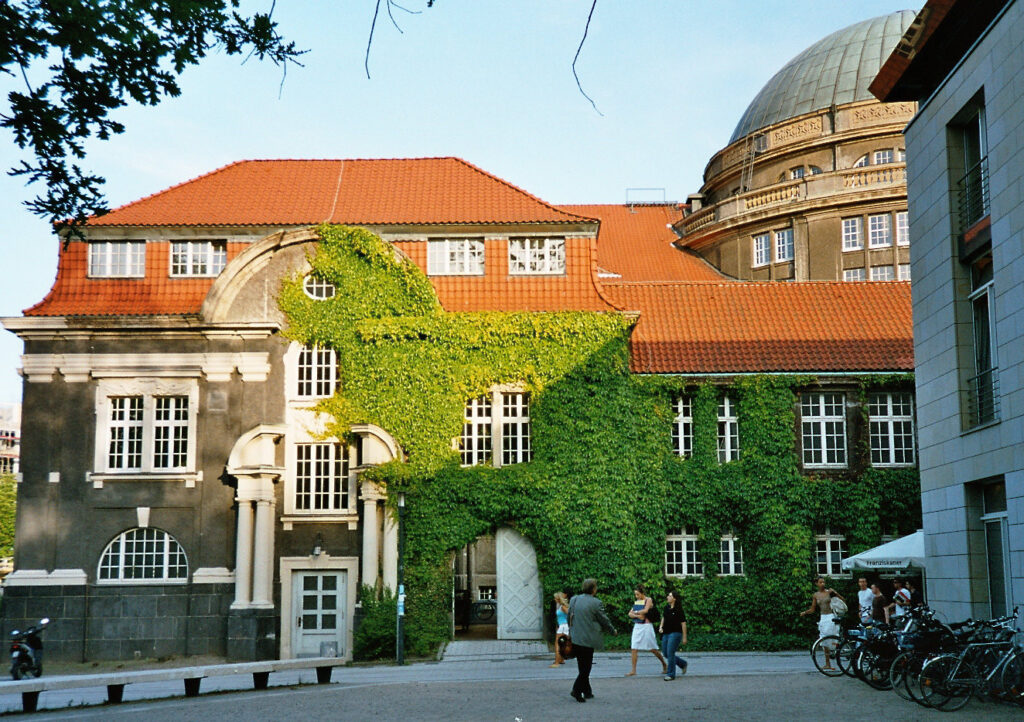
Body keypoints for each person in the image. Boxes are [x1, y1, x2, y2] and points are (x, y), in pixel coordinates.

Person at [567, 578, 617, 704]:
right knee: (586, 667)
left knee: (581, 665)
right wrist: (612, 630)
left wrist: (572, 630)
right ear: (593, 589)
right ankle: (576, 690)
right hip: (588, 638)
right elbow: (604, 620)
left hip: (575, 637)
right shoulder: (596, 603)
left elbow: (569, 616)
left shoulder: (574, 599)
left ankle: (587, 691)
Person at [799, 576, 846, 670]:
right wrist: (805, 612)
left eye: (823, 582)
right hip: (823, 618)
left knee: (832, 638)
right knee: (824, 640)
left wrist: (836, 593)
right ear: (816, 583)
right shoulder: (816, 595)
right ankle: (827, 663)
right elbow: (813, 609)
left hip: (831, 616)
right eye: (820, 582)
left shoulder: (829, 592)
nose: (823, 584)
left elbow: (843, 601)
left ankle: (837, 657)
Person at [625, 584, 667, 676]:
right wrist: (637, 615)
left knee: (652, 648)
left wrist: (635, 613)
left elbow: (645, 611)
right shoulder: (638, 601)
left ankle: (664, 664)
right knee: (634, 647)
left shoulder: (648, 600)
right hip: (638, 626)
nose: (636, 596)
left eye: (638, 594)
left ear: (642, 593)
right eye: (635, 595)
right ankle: (633, 670)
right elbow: (630, 613)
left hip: (646, 626)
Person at [658, 590, 688, 681]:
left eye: (670, 596)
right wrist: (661, 626)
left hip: (675, 633)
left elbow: (683, 624)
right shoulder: (666, 608)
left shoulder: (679, 609)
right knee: (666, 653)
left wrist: (684, 637)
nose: (668, 597)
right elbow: (663, 618)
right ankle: (682, 664)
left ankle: (671, 674)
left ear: (674, 598)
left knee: (670, 652)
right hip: (666, 632)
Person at [551, 591, 570, 667]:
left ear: (559, 599)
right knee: (563, 643)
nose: (554, 599)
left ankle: (556, 662)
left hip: (563, 626)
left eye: (555, 598)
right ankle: (561, 659)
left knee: (557, 644)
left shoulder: (563, 607)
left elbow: (570, 615)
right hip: (562, 626)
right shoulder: (560, 606)